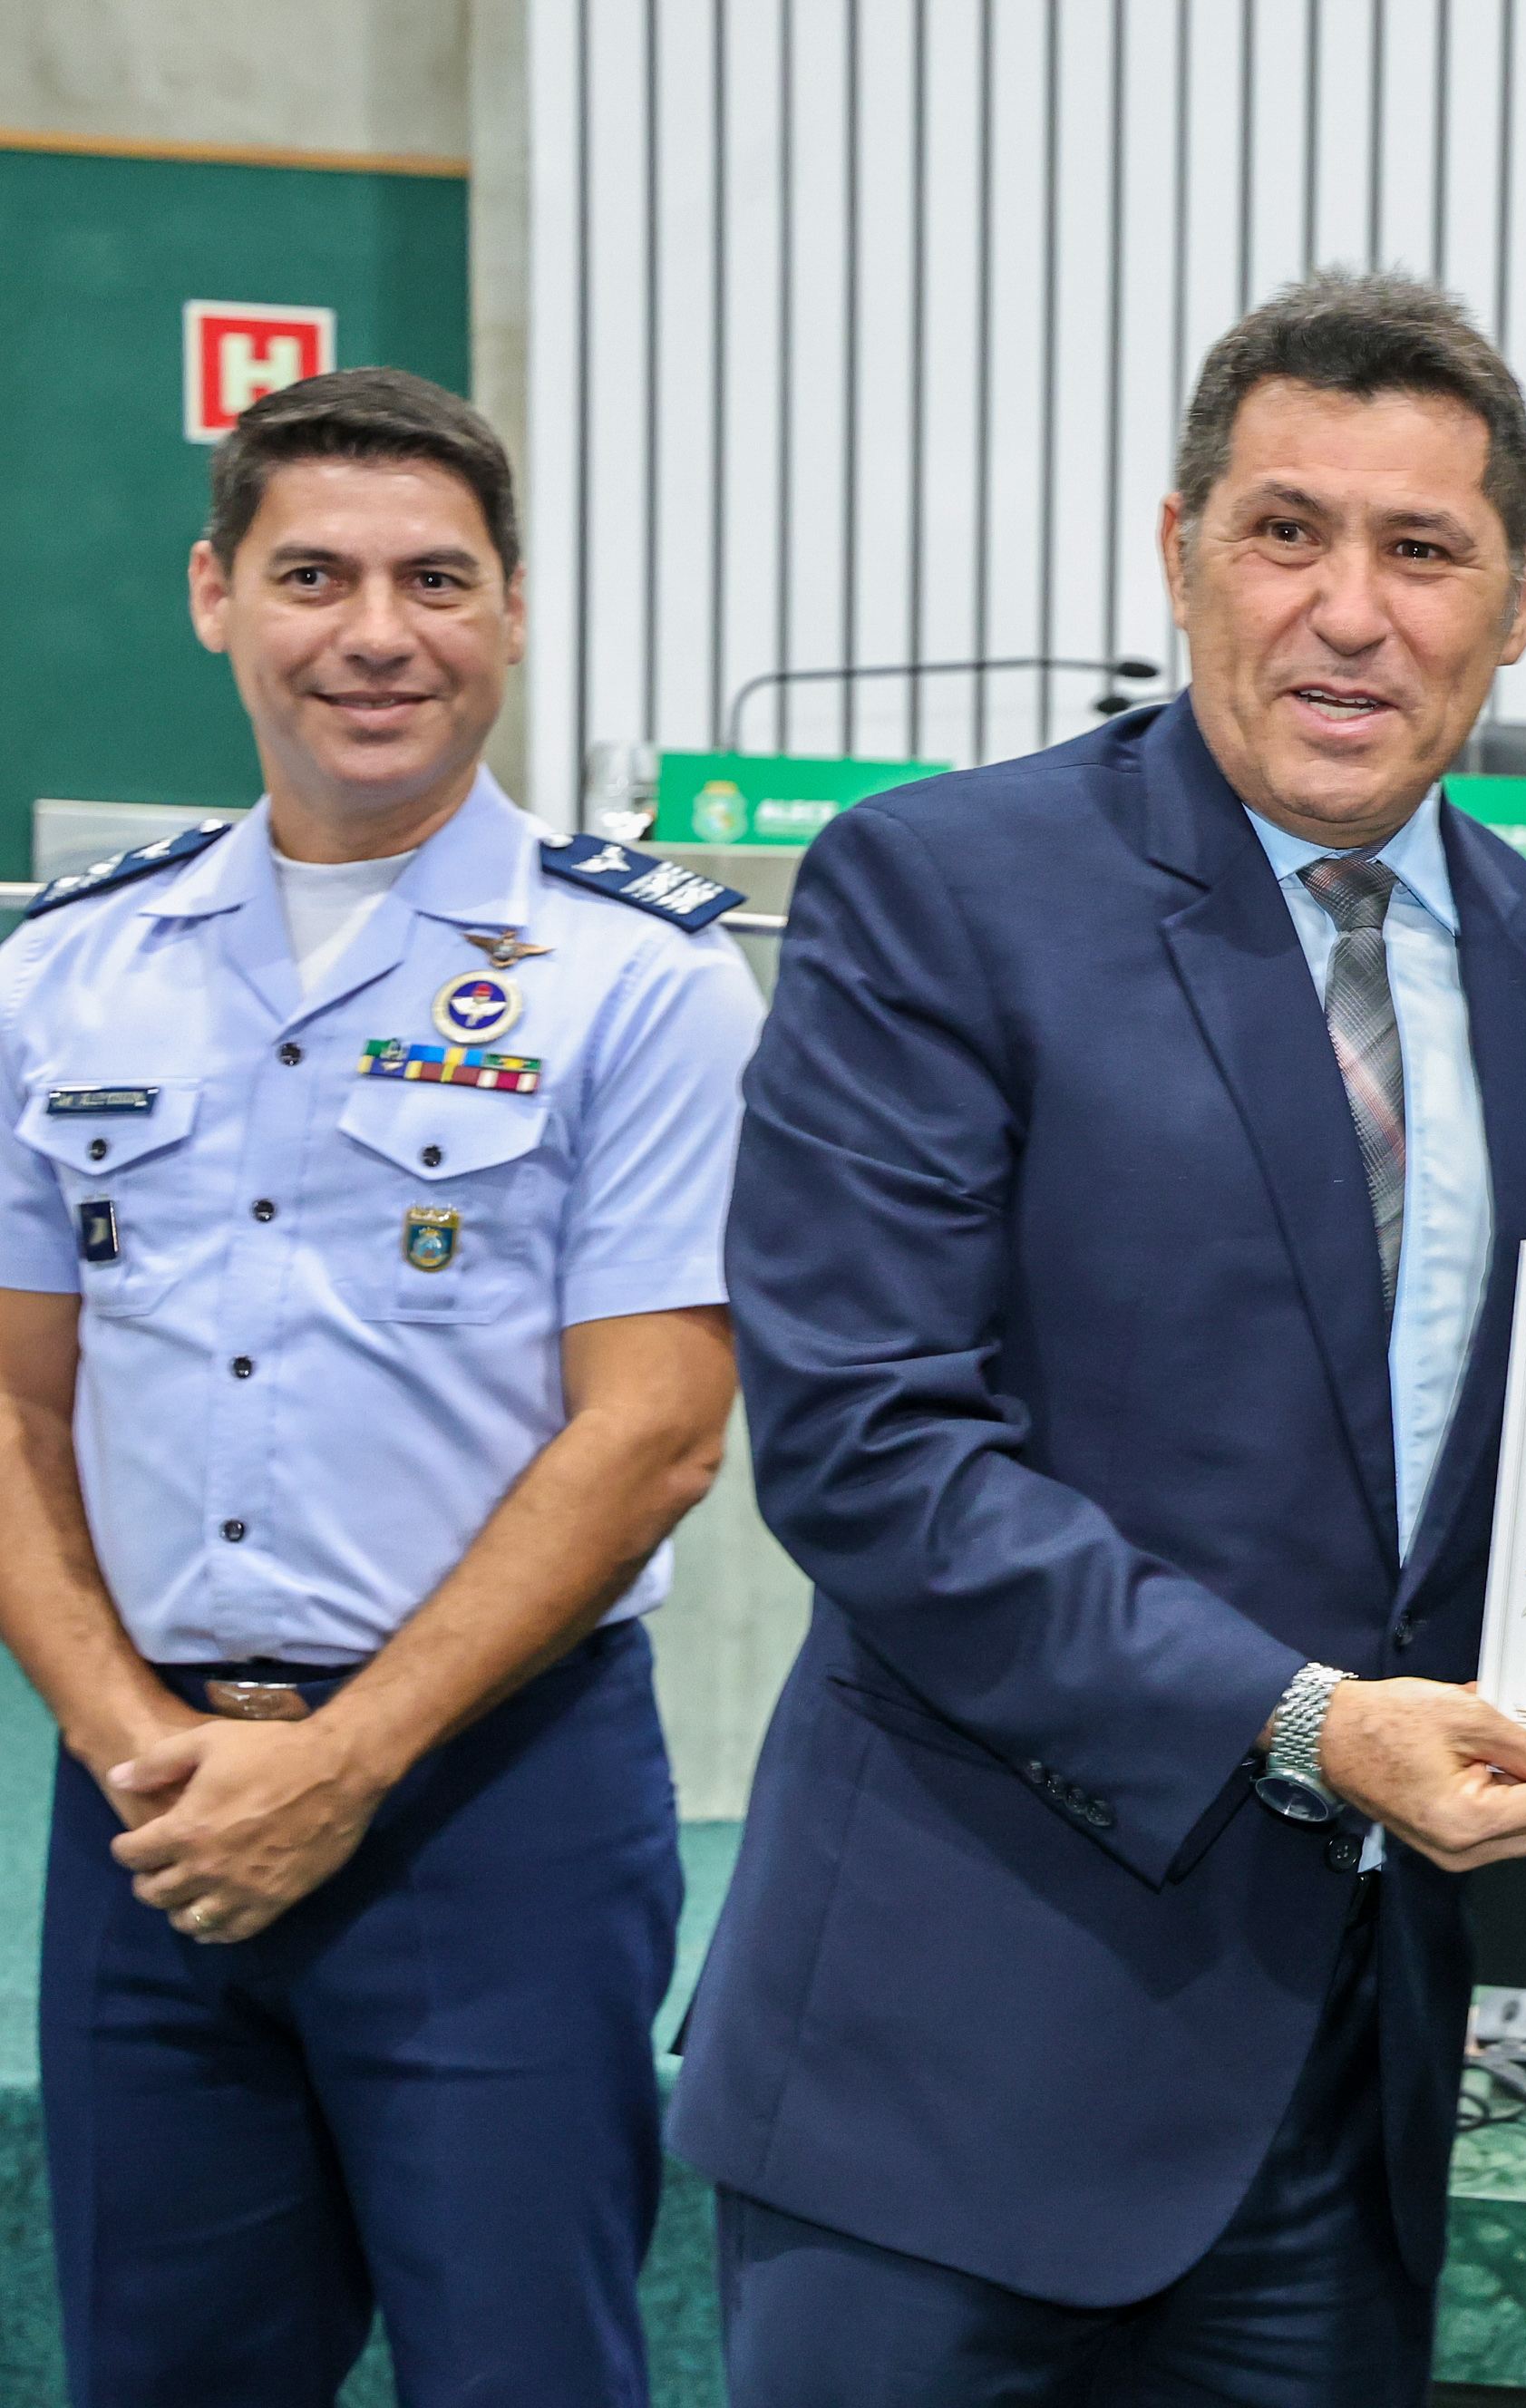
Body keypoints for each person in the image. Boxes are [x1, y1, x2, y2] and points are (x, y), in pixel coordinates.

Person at [669, 270, 1526, 2407]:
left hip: (1341, 2106)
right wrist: (1306, 1720)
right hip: (946, 2077)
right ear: (1178, 547)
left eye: (1423, 550)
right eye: (1286, 531)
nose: (1347, 612)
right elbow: (868, 1448)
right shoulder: (942, 892)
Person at [0, 367, 758, 2405]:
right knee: (160, 2374)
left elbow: (654, 1431)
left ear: (511, 608)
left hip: (493, 1811)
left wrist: (345, 1763)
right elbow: (10, 1405)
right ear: (214, 596)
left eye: (434, 579)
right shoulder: (63, 971)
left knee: (522, 2372)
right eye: (313, 574)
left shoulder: (644, 979)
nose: (376, 633)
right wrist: (135, 1742)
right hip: (149, 1805)